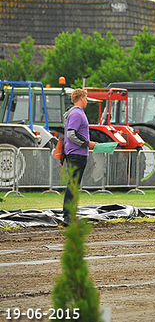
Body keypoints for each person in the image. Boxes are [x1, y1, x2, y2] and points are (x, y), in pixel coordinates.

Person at [62, 89, 97, 225]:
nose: (87, 101)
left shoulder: (75, 113)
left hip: (77, 153)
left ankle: (70, 214)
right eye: (86, 98)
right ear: (81, 98)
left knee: (74, 185)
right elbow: (71, 134)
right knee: (73, 185)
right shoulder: (77, 113)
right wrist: (88, 144)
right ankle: (68, 216)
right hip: (77, 154)